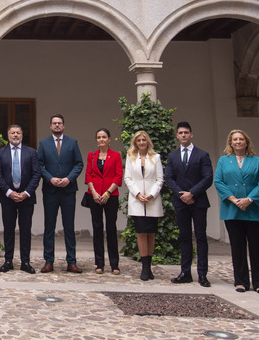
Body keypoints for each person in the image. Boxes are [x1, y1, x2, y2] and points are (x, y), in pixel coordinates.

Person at [214, 129, 259, 294]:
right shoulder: (224, 161)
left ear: (246, 142)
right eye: (235, 139)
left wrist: (249, 200)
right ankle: (241, 281)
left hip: (253, 209)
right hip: (232, 209)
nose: (238, 142)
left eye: (241, 139)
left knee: (257, 247)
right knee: (237, 247)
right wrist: (233, 199)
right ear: (230, 143)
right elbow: (218, 181)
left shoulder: (256, 161)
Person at [164, 121, 213, 286]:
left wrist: (192, 193)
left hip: (198, 201)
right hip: (181, 202)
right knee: (184, 237)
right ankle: (185, 272)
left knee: (200, 237)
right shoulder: (173, 156)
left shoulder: (202, 155)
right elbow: (169, 178)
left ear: (191, 134)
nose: (183, 135)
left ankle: (202, 274)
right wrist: (181, 195)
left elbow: (207, 178)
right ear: (177, 136)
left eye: (186, 132)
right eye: (180, 133)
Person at [37, 114, 84, 273]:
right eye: (54, 123)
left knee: (69, 226)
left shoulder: (72, 142)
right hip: (50, 190)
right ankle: (48, 261)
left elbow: (79, 164)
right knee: (49, 226)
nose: (57, 126)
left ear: (63, 126)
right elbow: (39, 165)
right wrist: (50, 179)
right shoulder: (43, 143)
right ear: (50, 126)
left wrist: (68, 179)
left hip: (68, 190)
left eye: (59, 123)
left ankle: (71, 261)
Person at [0, 124, 39, 273]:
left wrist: (26, 193)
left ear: (22, 135)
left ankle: (25, 262)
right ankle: (8, 261)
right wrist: (8, 192)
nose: (15, 135)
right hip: (8, 198)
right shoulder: (0, 153)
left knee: (26, 230)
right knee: (8, 230)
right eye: (12, 133)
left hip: (27, 198)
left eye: (18, 133)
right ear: (8, 136)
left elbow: (36, 174)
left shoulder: (31, 152)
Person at [123, 130, 164, 280]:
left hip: (152, 200)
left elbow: (160, 179)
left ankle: (150, 264)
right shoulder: (130, 157)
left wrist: (152, 194)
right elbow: (128, 178)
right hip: (137, 200)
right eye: (138, 140)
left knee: (151, 233)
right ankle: (144, 267)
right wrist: (138, 194)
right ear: (135, 142)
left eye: (143, 140)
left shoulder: (156, 157)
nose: (141, 143)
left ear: (148, 142)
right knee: (141, 232)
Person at [85, 128, 123, 275]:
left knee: (111, 229)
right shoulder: (92, 155)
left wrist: (107, 193)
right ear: (96, 140)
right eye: (99, 137)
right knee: (97, 228)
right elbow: (88, 175)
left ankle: (114, 264)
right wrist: (94, 192)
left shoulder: (115, 155)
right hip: (94, 195)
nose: (101, 140)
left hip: (111, 195)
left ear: (109, 139)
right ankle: (99, 263)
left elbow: (118, 176)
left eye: (104, 137)